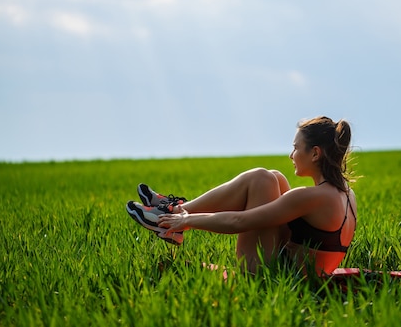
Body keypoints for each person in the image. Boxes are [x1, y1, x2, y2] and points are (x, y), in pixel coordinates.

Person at [126, 116, 357, 275]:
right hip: (302, 273)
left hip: (270, 276)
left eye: (296, 147)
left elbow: (240, 221)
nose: (291, 155)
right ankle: (176, 209)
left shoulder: (311, 197)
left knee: (260, 177)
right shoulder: (346, 194)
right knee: (273, 177)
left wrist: (187, 221)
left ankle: (177, 213)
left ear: (315, 153)